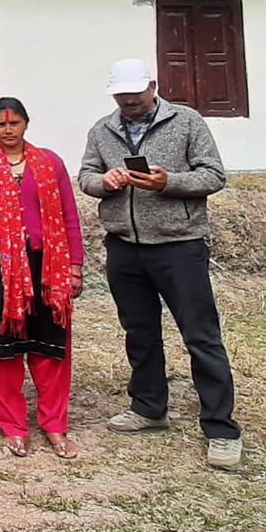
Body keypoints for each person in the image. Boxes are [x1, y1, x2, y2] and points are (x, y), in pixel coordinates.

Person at [78, 59, 241, 470]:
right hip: (124, 246)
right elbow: (86, 176)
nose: (129, 102)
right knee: (140, 332)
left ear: (152, 86)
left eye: (135, 94)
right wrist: (105, 183)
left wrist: (168, 182)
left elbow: (213, 175)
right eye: (122, 96)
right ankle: (149, 407)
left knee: (200, 336)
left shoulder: (186, 122)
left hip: (179, 245)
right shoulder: (102, 130)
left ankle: (221, 428)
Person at [0, 98, 83, 460]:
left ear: (26, 124)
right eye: (0, 124)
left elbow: (68, 215)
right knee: (1, 349)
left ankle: (55, 424)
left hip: (47, 265)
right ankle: (12, 427)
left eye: (14, 123)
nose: (8, 129)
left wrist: (74, 266)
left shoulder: (50, 162)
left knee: (50, 346)